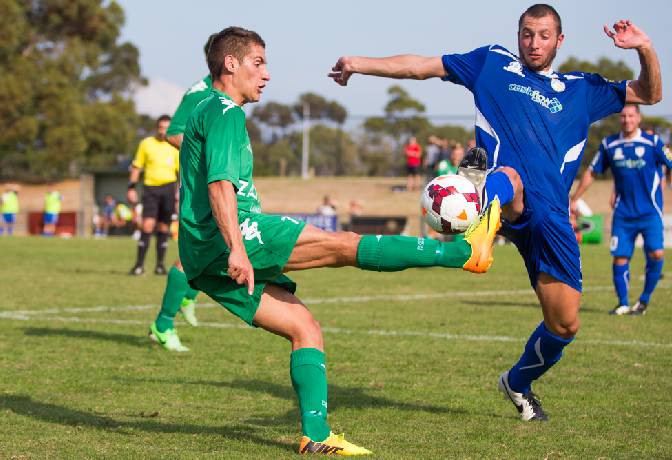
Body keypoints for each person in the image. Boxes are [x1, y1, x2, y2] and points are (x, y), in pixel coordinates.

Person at [328, 4, 662, 421]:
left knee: (564, 325)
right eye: (526, 33)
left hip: (554, 220)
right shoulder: (492, 63)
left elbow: (649, 93)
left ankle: (517, 382)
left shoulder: (583, 89)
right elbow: (420, 67)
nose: (533, 43)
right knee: (507, 174)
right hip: (507, 199)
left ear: (559, 41)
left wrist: (644, 48)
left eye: (543, 35)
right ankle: (480, 237)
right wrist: (357, 64)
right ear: (517, 34)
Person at [178, 26, 500, 455]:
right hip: (230, 238)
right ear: (230, 64)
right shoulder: (223, 111)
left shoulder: (205, 109)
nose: (267, 74)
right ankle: (462, 252)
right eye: (258, 63)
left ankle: (316, 436)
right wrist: (237, 247)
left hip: (202, 253)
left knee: (305, 327)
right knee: (343, 245)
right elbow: (220, 186)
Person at [570, 104, 672, 315]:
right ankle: (623, 303)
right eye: (623, 116)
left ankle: (643, 300)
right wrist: (575, 198)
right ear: (619, 119)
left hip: (650, 212)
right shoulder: (609, 144)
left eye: (631, 116)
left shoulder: (652, 142)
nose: (627, 120)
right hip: (623, 213)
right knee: (620, 258)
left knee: (657, 253)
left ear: (638, 118)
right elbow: (591, 172)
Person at [148, 37, 215, 351]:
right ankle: (164, 323)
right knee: (191, 256)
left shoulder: (224, 95)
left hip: (221, 184)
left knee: (222, 246)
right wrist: (205, 154)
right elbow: (175, 131)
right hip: (201, 187)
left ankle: (187, 297)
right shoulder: (200, 93)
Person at [127, 115, 179, 276]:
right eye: (161, 127)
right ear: (156, 128)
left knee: (164, 227)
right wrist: (131, 187)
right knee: (147, 225)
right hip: (150, 189)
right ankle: (139, 265)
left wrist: (179, 192)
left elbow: (181, 172)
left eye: (167, 128)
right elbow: (136, 167)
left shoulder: (176, 146)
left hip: (169, 188)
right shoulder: (146, 144)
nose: (163, 130)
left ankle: (160, 266)